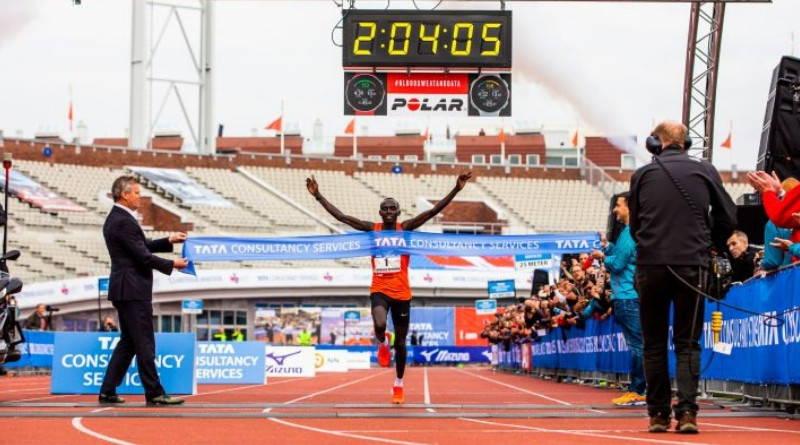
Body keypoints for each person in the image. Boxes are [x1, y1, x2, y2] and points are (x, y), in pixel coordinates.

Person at [306, 170, 472, 404]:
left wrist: (456, 188)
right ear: (380, 213)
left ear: (398, 212)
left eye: (392, 208)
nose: (388, 212)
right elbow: (342, 217)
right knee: (380, 325)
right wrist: (318, 196)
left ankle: (398, 384)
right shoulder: (372, 229)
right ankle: (383, 343)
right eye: (384, 209)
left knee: (401, 344)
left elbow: (433, 211)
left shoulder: (406, 228)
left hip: (402, 293)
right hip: (380, 289)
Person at [629, 121, 736, 434]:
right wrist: (710, 244)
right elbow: (729, 217)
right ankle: (687, 412)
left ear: (655, 142)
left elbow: (634, 227)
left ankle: (658, 415)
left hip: (651, 265)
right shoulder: (705, 170)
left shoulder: (643, 174)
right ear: (685, 142)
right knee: (688, 343)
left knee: (653, 343)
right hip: (692, 264)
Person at [98, 175, 188, 406]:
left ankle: (107, 391)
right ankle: (154, 392)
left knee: (128, 343)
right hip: (133, 290)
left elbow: (142, 245)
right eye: (137, 193)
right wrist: (173, 264)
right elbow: (143, 256)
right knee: (145, 342)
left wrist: (169, 240)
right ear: (124, 194)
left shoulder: (118, 218)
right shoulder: (123, 221)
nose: (140, 197)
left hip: (125, 289)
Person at [592, 192, 646, 406]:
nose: (615, 210)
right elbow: (623, 256)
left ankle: (638, 390)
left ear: (629, 208)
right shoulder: (630, 232)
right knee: (638, 344)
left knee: (637, 345)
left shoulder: (629, 232)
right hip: (630, 295)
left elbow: (617, 264)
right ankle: (639, 388)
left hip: (627, 295)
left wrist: (602, 257)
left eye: (619, 205)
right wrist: (607, 247)